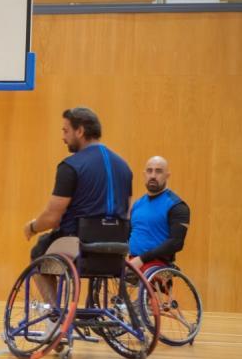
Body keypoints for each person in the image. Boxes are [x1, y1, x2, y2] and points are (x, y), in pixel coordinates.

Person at [23, 107, 133, 257]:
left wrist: (32, 227)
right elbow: (127, 211)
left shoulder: (70, 166)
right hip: (117, 243)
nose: (63, 137)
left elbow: (52, 218)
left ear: (80, 131)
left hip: (79, 242)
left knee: (38, 253)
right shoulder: (124, 166)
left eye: (66, 131)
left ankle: (52, 281)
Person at [128, 156, 190, 273]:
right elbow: (128, 234)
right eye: (149, 171)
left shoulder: (177, 206)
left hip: (157, 265)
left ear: (167, 175)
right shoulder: (137, 204)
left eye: (158, 171)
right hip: (132, 262)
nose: (153, 176)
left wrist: (142, 259)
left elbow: (176, 243)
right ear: (144, 174)